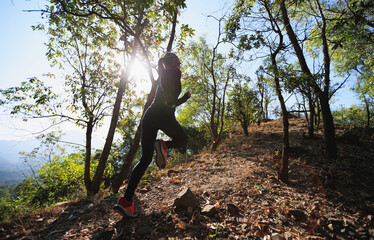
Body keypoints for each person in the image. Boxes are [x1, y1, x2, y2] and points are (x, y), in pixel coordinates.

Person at [114, 52, 191, 217]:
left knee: (145, 159)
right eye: (179, 64)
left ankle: (126, 201)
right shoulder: (174, 74)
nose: (180, 67)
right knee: (182, 140)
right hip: (163, 117)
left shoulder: (163, 73)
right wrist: (185, 98)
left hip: (149, 116)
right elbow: (170, 102)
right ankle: (164, 145)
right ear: (176, 64)